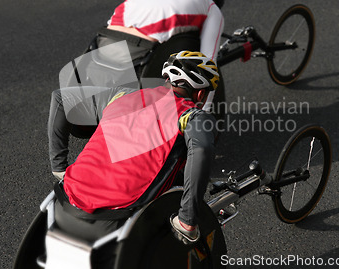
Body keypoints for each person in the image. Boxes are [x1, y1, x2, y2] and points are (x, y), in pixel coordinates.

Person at [48, 0, 226, 179]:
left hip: (105, 45)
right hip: (143, 55)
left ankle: (58, 167)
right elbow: (209, 61)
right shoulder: (211, 7)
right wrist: (201, 117)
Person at [52, 51, 219, 265]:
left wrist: (60, 168)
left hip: (67, 197)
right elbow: (203, 149)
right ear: (200, 95)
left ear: (166, 79)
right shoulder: (191, 116)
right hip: (116, 215)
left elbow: (60, 98)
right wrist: (187, 219)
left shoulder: (123, 95)